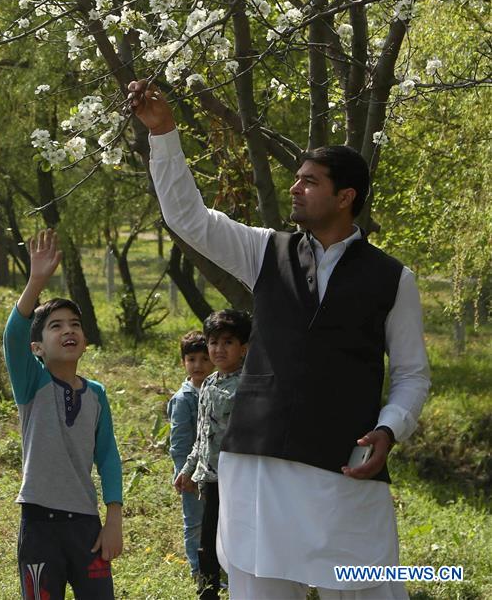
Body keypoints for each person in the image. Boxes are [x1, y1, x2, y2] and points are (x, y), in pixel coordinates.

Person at [128, 79, 431, 600]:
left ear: (345, 196)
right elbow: (188, 219)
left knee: (367, 587)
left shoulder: (392, 278)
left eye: (310, 181)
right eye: (295, 179)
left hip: (343, 465)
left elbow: (411, 373)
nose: (294, 188)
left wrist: (390, 428)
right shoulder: (266, 251)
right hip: (256, 463)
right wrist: (164, 135)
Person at [3, 229, 123, 600]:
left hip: (86, 526)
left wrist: (113, 520)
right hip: (39, 524)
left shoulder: (97, 395)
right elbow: (12, 336)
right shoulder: (31, 385)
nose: (68, 330)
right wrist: (36, 281)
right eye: (56, 326)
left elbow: (108, 458)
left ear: (85, 340)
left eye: (75, 324)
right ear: (36, 347)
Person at [175, 310, 251, 600]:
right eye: (213, 342)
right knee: (207, 539)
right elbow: (202, 434)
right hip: (210, 478)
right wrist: (188, 468)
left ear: (243, 348)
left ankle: (245, 590)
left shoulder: (249, 385)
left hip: (238, 478)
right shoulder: (207, 383)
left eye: (227, 342)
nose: (218, 349)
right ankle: (207, 591)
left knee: (238, 539)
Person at [167, 330, 215, 577]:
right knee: (195, 523)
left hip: (213, 471)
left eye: (204, 359)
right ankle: (199, 572)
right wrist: (185, 475)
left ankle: (215, 568)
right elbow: (179, 443)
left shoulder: (216, 389)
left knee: (215, 520)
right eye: (192, 359)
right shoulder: (184, 398)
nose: (198, 365)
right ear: (183, 362)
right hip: (191, 475)